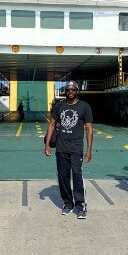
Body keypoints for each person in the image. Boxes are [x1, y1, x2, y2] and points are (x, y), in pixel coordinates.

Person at [44, 80, 93, 219]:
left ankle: (80, 204)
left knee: (77, 175)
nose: (70, 92)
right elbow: (52, 125)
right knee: (63, 176)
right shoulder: (60, 106)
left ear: (77, 91)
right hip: (61, 148)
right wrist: (47, 145)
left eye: (73, 89)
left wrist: (88, 150)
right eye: (68, 89)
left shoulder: (85, 107)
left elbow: (89, 129)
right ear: (65, 91)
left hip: (77, 148)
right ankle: (67, 203)